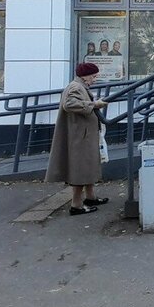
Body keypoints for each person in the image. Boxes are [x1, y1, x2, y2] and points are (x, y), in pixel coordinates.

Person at [45, 62, 109, 215]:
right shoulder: (76, 87)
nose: (94, 80)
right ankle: (76, 204)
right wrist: (94, 104)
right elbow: (69, 104)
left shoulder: (79, 86)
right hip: (80, 136)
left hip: (83, 134)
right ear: (85, 76)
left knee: (87, 166)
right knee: (80, 169)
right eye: (93, 76)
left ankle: (90, 197)